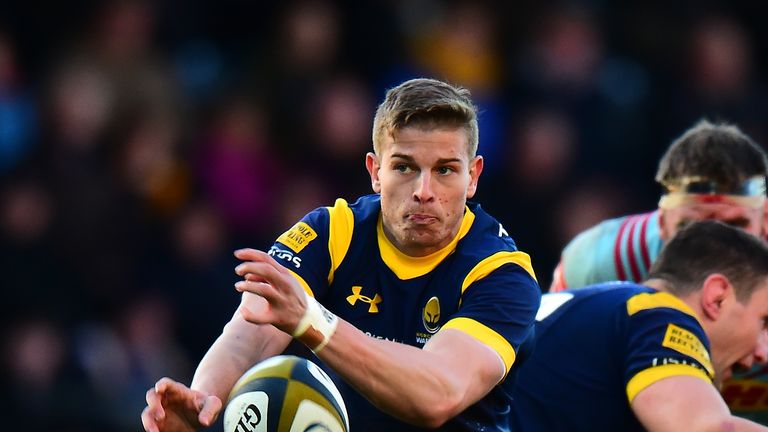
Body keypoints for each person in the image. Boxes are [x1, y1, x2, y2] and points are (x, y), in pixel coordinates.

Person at [141, 78, 541, 431]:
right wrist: (203, 399)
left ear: (473, 177)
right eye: (404, 167)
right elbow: (250, 333)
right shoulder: (332, 232)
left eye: (445, 170)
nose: (424, 191)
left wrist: (314, 321)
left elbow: (437, 395)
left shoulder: (501, 274)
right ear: (375, 171)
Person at [548, 119, 768, 422]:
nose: (716, 245)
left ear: (765, 218)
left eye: (735, 226)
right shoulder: (599, 263)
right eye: (693, 226)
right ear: (662, 222)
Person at [509, 220, 768, 431]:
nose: (763, 354)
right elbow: (705, 430)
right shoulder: (659, 315)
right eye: (764, 321)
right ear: (717, 297)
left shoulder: (604, 310)